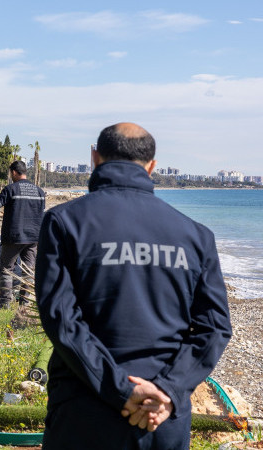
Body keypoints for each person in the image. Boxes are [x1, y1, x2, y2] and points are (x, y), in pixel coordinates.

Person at [35, 122, 232, 449]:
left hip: (85, 411)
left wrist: (123, 391)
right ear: (152, 167)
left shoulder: (64, 222)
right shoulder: (195, 235)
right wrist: (168, 390)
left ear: (95, 158)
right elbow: (214, 327)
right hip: (162, 418)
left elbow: (62, 320)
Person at [0, 160, 45, 308]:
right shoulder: (39, 192)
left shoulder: (11, 189)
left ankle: (5, 302)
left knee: (6, 269)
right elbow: (40, 215)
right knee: (28, 271)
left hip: (14, 236)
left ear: (13, 172)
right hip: (33, 238)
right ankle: (24, 304)